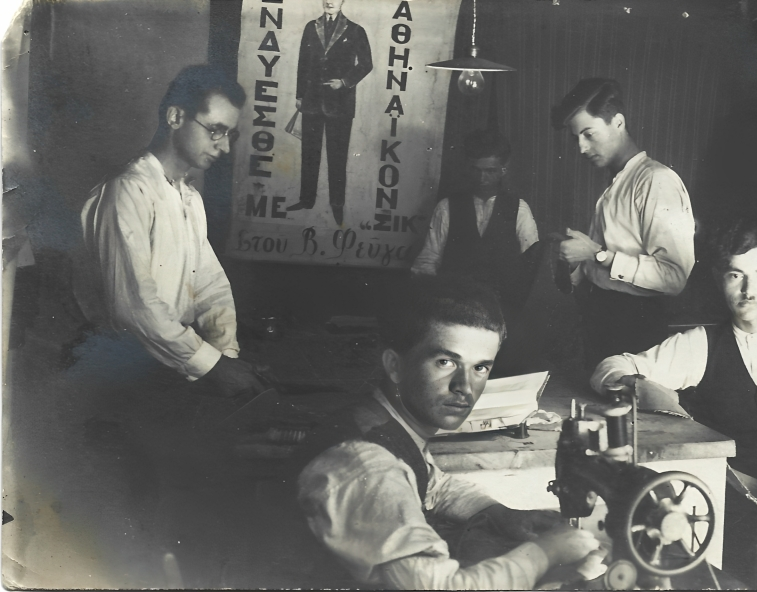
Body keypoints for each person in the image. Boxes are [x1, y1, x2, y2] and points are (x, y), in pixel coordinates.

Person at [590, 220, 757, 589]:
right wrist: (637, 385)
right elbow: (610, 367)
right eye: (736, 275)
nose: (749, 289)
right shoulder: (699, 345)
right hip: (733, 498)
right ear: (721, 280)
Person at [296, 275, 600, 589]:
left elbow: (433, 484)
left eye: (480, 367)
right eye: (445, 362)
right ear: (395, 365)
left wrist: (498, 512)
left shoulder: (383, 424)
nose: (464, 386)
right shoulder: (369, 465)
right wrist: (545, 553)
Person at [81, 64, 265, 400]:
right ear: (176, 117)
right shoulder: (128, 191)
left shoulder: (188, 197)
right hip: (121, 372)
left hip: (171, 364)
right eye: (216, 130)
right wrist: (215, 367)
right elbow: (134, 307)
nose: (225, 147)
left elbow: (210, 286)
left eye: (230, 135)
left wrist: (226, 355)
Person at [551, 78, 696, 372]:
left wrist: (597, 254)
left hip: (635, 326)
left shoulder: (656, 181)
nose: (581, 147)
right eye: (576, 138)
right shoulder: (617, 182)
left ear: (618, 122)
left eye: (589, 134)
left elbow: (674, 277)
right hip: (601, 318)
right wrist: (577, 260)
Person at [411, 129, 540, 311]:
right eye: (476, 170)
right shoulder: (446, 207)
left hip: (502, 308)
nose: (482, 178)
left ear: (503, 169)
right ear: (467, 166)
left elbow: (531, 263)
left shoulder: (520, 209)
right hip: (455, 306)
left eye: (490, 171)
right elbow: (428, 260)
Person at [287, 0, 373, 225]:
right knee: (309, 154)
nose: (329, 1)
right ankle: (306, 200)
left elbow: (366, 64)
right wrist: (299, 95)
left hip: (340, 105)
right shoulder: (311, 27)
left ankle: (337, 205)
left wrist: (344, 82)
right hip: (312, 101)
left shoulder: (355, 30)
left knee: (337, 157)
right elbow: (303, 63)